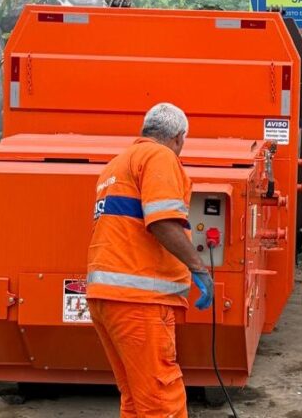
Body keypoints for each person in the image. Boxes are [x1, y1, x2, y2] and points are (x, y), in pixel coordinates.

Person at [86, 102, 214, 418]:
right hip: (139, 302)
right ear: (179, 137)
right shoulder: (160, 156)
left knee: (135, 399)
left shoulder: (116, 165)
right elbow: (161, 221)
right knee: (160, 400)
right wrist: (198, 268)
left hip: (107, 298)